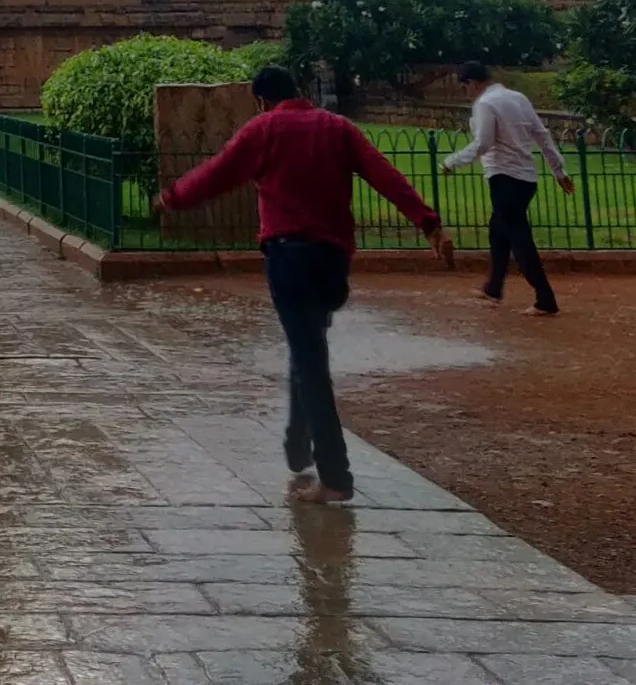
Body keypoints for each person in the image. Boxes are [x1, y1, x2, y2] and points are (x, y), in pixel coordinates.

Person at [157, 64, 453, 505]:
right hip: (332, 260)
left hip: (289, 257)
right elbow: (384, 175)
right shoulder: (337, 127)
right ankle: (298, 443)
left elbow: (217, 174)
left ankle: (335, 476)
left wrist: (171, 197)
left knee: (311, 362)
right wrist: (428, 223)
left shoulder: (263, 130)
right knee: (308, 346)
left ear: (260, 100)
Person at [443, 61, 571, 316]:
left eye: (464, 87)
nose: (465, 92)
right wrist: (558, 170)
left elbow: (483, 143)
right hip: (525, 179)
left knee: (519, 239)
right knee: (498, 230)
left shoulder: (485, 104)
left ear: (472, 83)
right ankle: (493, 287)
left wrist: (451, 162)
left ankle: (545, 298)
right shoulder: (517, 98)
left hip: (504, 178)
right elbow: (541, 135)